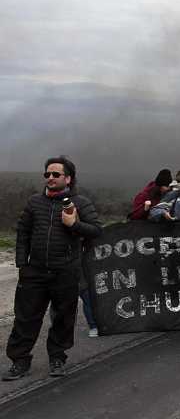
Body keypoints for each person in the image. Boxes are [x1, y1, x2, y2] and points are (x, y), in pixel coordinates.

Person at [5, 156, 102, 381]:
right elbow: (23, 233)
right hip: (35, 272)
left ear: (68, 178)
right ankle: (19, 361)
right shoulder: (34, 202)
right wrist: (22, 264)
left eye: (55, 174)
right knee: (25, 318)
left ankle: (57, 358)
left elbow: (97, 230)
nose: (50, 177)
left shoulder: (81, 202)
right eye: (47, 174)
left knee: (63, 318)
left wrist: (74, 224)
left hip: (65, 272)